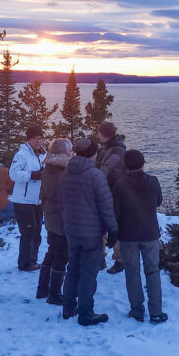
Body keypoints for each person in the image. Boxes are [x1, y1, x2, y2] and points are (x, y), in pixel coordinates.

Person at [58, 138, 119, 326]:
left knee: (73, 268)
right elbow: (106, 206)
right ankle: (86, 312)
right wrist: (113, 230)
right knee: (88, 273)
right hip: (91, 232)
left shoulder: (66, 173)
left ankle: (68, 307)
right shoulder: (95, 175)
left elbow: (61, 202)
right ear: (92, 154)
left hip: (71, 229)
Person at [112, 149, 167, 324]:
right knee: (153, 272)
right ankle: (156, 312)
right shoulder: (153, 181)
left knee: (132, 272)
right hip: (150, 233)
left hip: (128, 234)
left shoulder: (120, 185)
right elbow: (158, 201)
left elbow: (116, 211)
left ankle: (137, 310)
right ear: (143, 163)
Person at [37, 139, 72, 304]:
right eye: (70, 151)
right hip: (62, 218)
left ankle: (42, 288)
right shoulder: (66, 173)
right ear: (65, 153)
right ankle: (55, 294)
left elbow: (43, 194)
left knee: (52, 250)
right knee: (62, 254)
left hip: (50, 216)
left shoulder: (47, 170)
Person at [10, 126, 46, 272]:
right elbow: (13, 174)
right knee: (28, 232)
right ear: (28, 139)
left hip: (38, 200)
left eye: (40, 138)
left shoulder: (44, 154)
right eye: (35, 138)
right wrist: (32, 175)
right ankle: (24, 263)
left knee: (37, 231)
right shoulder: (21, 155)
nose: (38, 141)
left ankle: (33, 260)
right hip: (23, 201)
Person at [96, 121, 127, 273]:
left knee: (115, 227)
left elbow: (110, 173)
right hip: (105, 193)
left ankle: (120, 260)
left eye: (99, 133)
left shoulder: (117, 151)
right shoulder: (108, 148)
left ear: (104, 134)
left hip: (113, 194)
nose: (97, 135)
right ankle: (100, 258)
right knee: (99, 226)